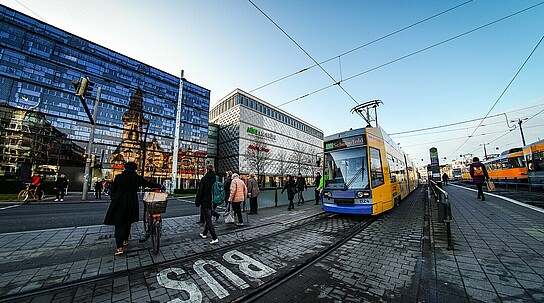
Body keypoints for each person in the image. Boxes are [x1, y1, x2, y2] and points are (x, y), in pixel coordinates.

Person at [103, 162, 162, 256]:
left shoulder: (119, 177)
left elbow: (113, 190)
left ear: (125, 168)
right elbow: (148, 183)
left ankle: (119, 247)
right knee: (128, 221)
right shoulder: (137, 178)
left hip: (119, 201)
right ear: (135, 169)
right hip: (131, 201)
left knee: (119, 224)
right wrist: (159, 185)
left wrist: (114, 197)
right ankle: (125, 239)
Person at [195, 164, 220, 244]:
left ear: (207, 170)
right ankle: (204, 233)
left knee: (208, 220)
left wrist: (197, 202)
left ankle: (214, 237)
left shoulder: (204, 179)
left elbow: (200, 192)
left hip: (206, 201)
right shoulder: (216, 178)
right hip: (214, 201)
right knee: (208, 217)